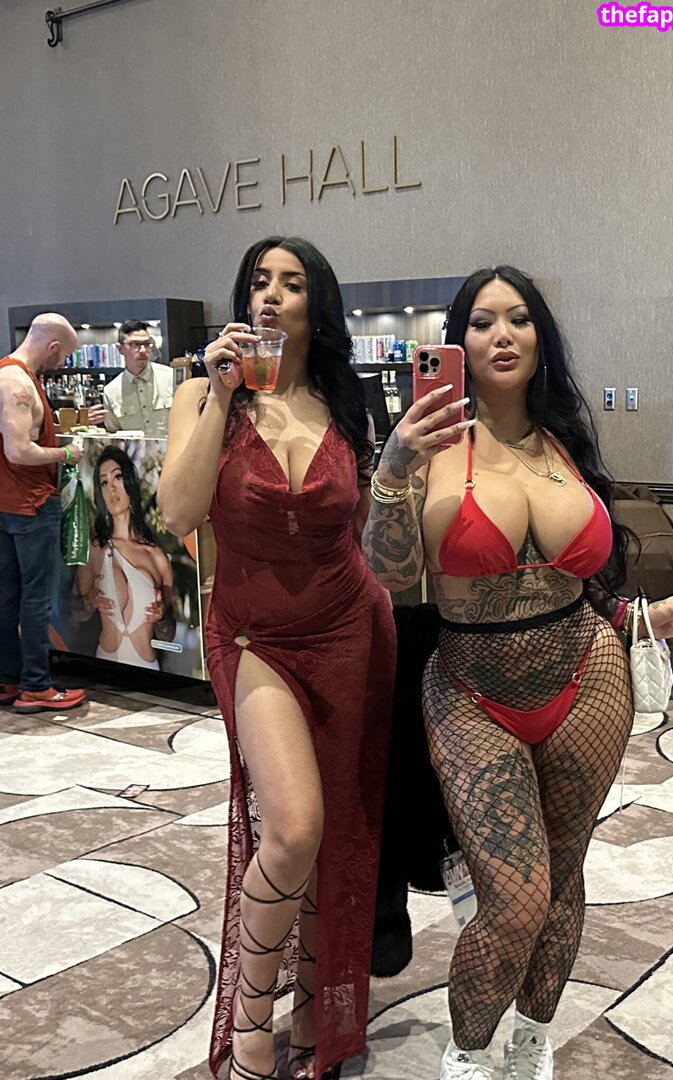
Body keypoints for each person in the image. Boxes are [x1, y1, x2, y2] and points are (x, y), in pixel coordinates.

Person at [361, 265, 673, 1080]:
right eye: (482, 321)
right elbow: (389, 574)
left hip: (587, 676)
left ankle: (530, 1037)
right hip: (470, 691)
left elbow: (581, 584)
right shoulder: (430, 446)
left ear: (540, 337)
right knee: (515, 898)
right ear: (457, 341)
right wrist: (393, 466)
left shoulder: (564, 440)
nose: (502, 335)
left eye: (519, 318)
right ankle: (467, 1053)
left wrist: (646, 617)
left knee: (562, 877)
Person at [157, 236, 395, 1080]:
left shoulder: (345, 400)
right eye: (259, 281)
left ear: (314, 306)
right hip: (254, 638)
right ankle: (250, 1023)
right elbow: (178, 512)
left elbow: (368, 534)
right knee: (293, 828)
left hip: (349, 628)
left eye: (291, 284)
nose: (270, 295)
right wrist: (222, 393)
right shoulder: (202, 395)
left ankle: (313, 1016)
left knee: (339, 833)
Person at [0, 313, 86, 712]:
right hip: (30, 503)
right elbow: (19, 451)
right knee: (36, 597)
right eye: (63, 355)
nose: (62, 363)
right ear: (52, 347)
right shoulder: (17, 382)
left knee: (7, 594)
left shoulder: (7, 374)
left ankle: (9, 677)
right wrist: (65, 454)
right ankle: (36, 685)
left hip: (6, 504)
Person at [74, 446, 175, 670]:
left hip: (148, 670)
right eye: (104, 482)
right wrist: (91, 599)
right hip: (105, 666)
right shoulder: (95, 549)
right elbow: (75, 614)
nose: (111, 488)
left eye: (117, 477)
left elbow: (169, 634)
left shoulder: (157, 557)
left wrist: (161, 616)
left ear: (129, 482)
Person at [103, 319, 174, 438]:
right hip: (134, 450)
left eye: (146, 344)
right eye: (134, 345)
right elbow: (115, 436)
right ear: (120, 349)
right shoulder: (111, 391)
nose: (143, 350)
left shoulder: (170, 378)